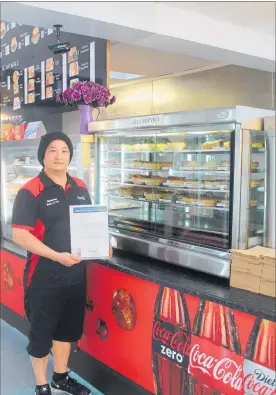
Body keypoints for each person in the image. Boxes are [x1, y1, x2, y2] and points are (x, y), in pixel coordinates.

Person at [12, 132, 112, 395]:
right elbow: (20, 234)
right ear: (43, 155)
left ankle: (60, 377)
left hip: (75, 275)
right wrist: (56, 256)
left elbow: (88, 222)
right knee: (42, 333)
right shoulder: (31, 190)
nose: (59, 156)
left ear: (70, 155)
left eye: (64, 150)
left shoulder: (79, 186)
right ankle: (41, 384)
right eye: (52, 150)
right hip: (44, 276)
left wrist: (102, 243)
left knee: (67, 331)